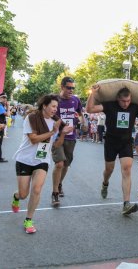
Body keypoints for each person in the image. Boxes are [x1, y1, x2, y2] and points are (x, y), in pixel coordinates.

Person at [86, 86, 138, 214]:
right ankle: (105, 182)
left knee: (126, 169)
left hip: (125, 142)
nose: (126, 104)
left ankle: (126, 203)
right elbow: (90, 109)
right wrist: (93, 93)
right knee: (109, 169)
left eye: (128, 101)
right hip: (111, 141)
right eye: (123, 101)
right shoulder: (110, 105)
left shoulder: (134, 107)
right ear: (118, 99)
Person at [11, 94, 72, 233]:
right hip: (25, 159)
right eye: (53, 106)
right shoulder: (31, 118)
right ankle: (16, 197)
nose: (55, 109)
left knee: (37, 189)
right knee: (23, 194)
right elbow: (33, 139)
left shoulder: (57, 121)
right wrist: (53, 131)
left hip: (42, 159)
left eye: (57, 107)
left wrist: (62, 133)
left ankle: (28, 220)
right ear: (44, 106)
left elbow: (56, 145)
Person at [51, 77, 87, 205]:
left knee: (66, 165)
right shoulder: (55, 100)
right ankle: (55, 193)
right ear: (62, 87)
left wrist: (83, 123)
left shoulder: (76, 100)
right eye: (68, 87)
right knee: (59, 164)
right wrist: (59, 122)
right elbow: (48, 114)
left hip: (71, 137)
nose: (71, 90)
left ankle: (59, 183)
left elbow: (81, 114)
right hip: (57, 136)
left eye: (73, 88)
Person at [0, 92, 9, 163]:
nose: (5, 99)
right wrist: (8, 106)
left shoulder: (1, 105)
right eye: (3, 97)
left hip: (0, 126)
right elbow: (8, 114)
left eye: (5, 98)